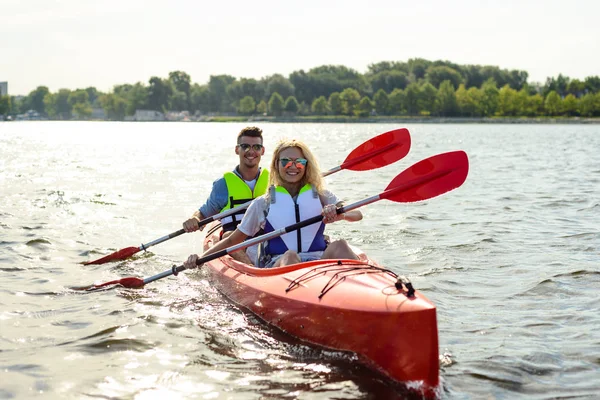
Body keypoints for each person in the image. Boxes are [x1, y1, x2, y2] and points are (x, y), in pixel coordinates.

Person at [184, 138, 362, 270]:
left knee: (340, 245)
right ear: (276, 165)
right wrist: (200, 258)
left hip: (318, 259)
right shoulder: (263, 203)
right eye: (286, 161)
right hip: (279, 265)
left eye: (299, 162)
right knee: (291, 255)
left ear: (306, 165)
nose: (293, 166)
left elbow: (357, 214)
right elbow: (233, 240)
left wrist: (341, 213)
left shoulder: (321, 194)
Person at [182, 126, 269, 264]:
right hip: (235, 240)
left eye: (256, 147)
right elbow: (204, 213)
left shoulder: (274, 181)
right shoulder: (223, 184)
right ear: (237, 150)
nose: (251, 151)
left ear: (262, 151)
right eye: (245, 146)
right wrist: (194, 219)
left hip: (266, 237)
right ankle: (254, 271)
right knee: (229, 235)